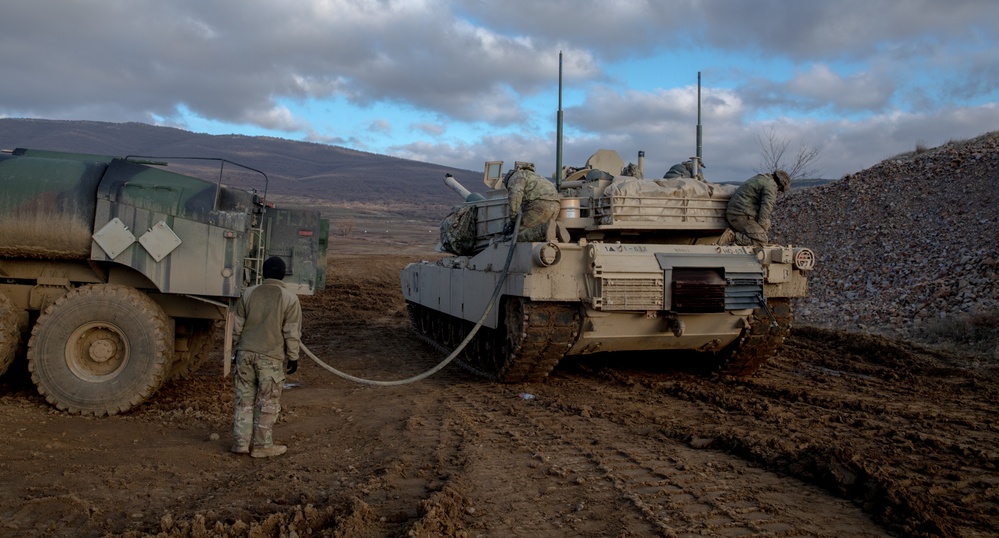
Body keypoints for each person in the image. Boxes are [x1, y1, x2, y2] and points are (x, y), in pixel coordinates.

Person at [231, 256, 302, 458]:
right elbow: (291, 331)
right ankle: (262, 446)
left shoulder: (249, 294)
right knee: (268, 401)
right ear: (283, 274)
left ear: (263, 273)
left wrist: (235, 352)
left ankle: (241, 443)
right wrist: (293, 356)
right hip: (270, 357)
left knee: (243, 399)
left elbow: (237, 327)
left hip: (245, 354)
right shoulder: (290, 298)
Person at [723, 170, 791, 246]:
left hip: (738, 213)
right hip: (741, 215)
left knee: (766, 223)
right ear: (780, 185)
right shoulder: (771, 185)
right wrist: (760, 227)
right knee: (762, 241)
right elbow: (766, 207)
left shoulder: (762, 178)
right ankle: (732, 237)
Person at [503, 162, 561, 242]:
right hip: (556, 206)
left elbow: (515, 199)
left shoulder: (516, 177)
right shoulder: (533, 175)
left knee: (518, 232)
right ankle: (552, 230)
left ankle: (544, 229)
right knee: (533, 228)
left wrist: (513, 219)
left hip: (540, 205)